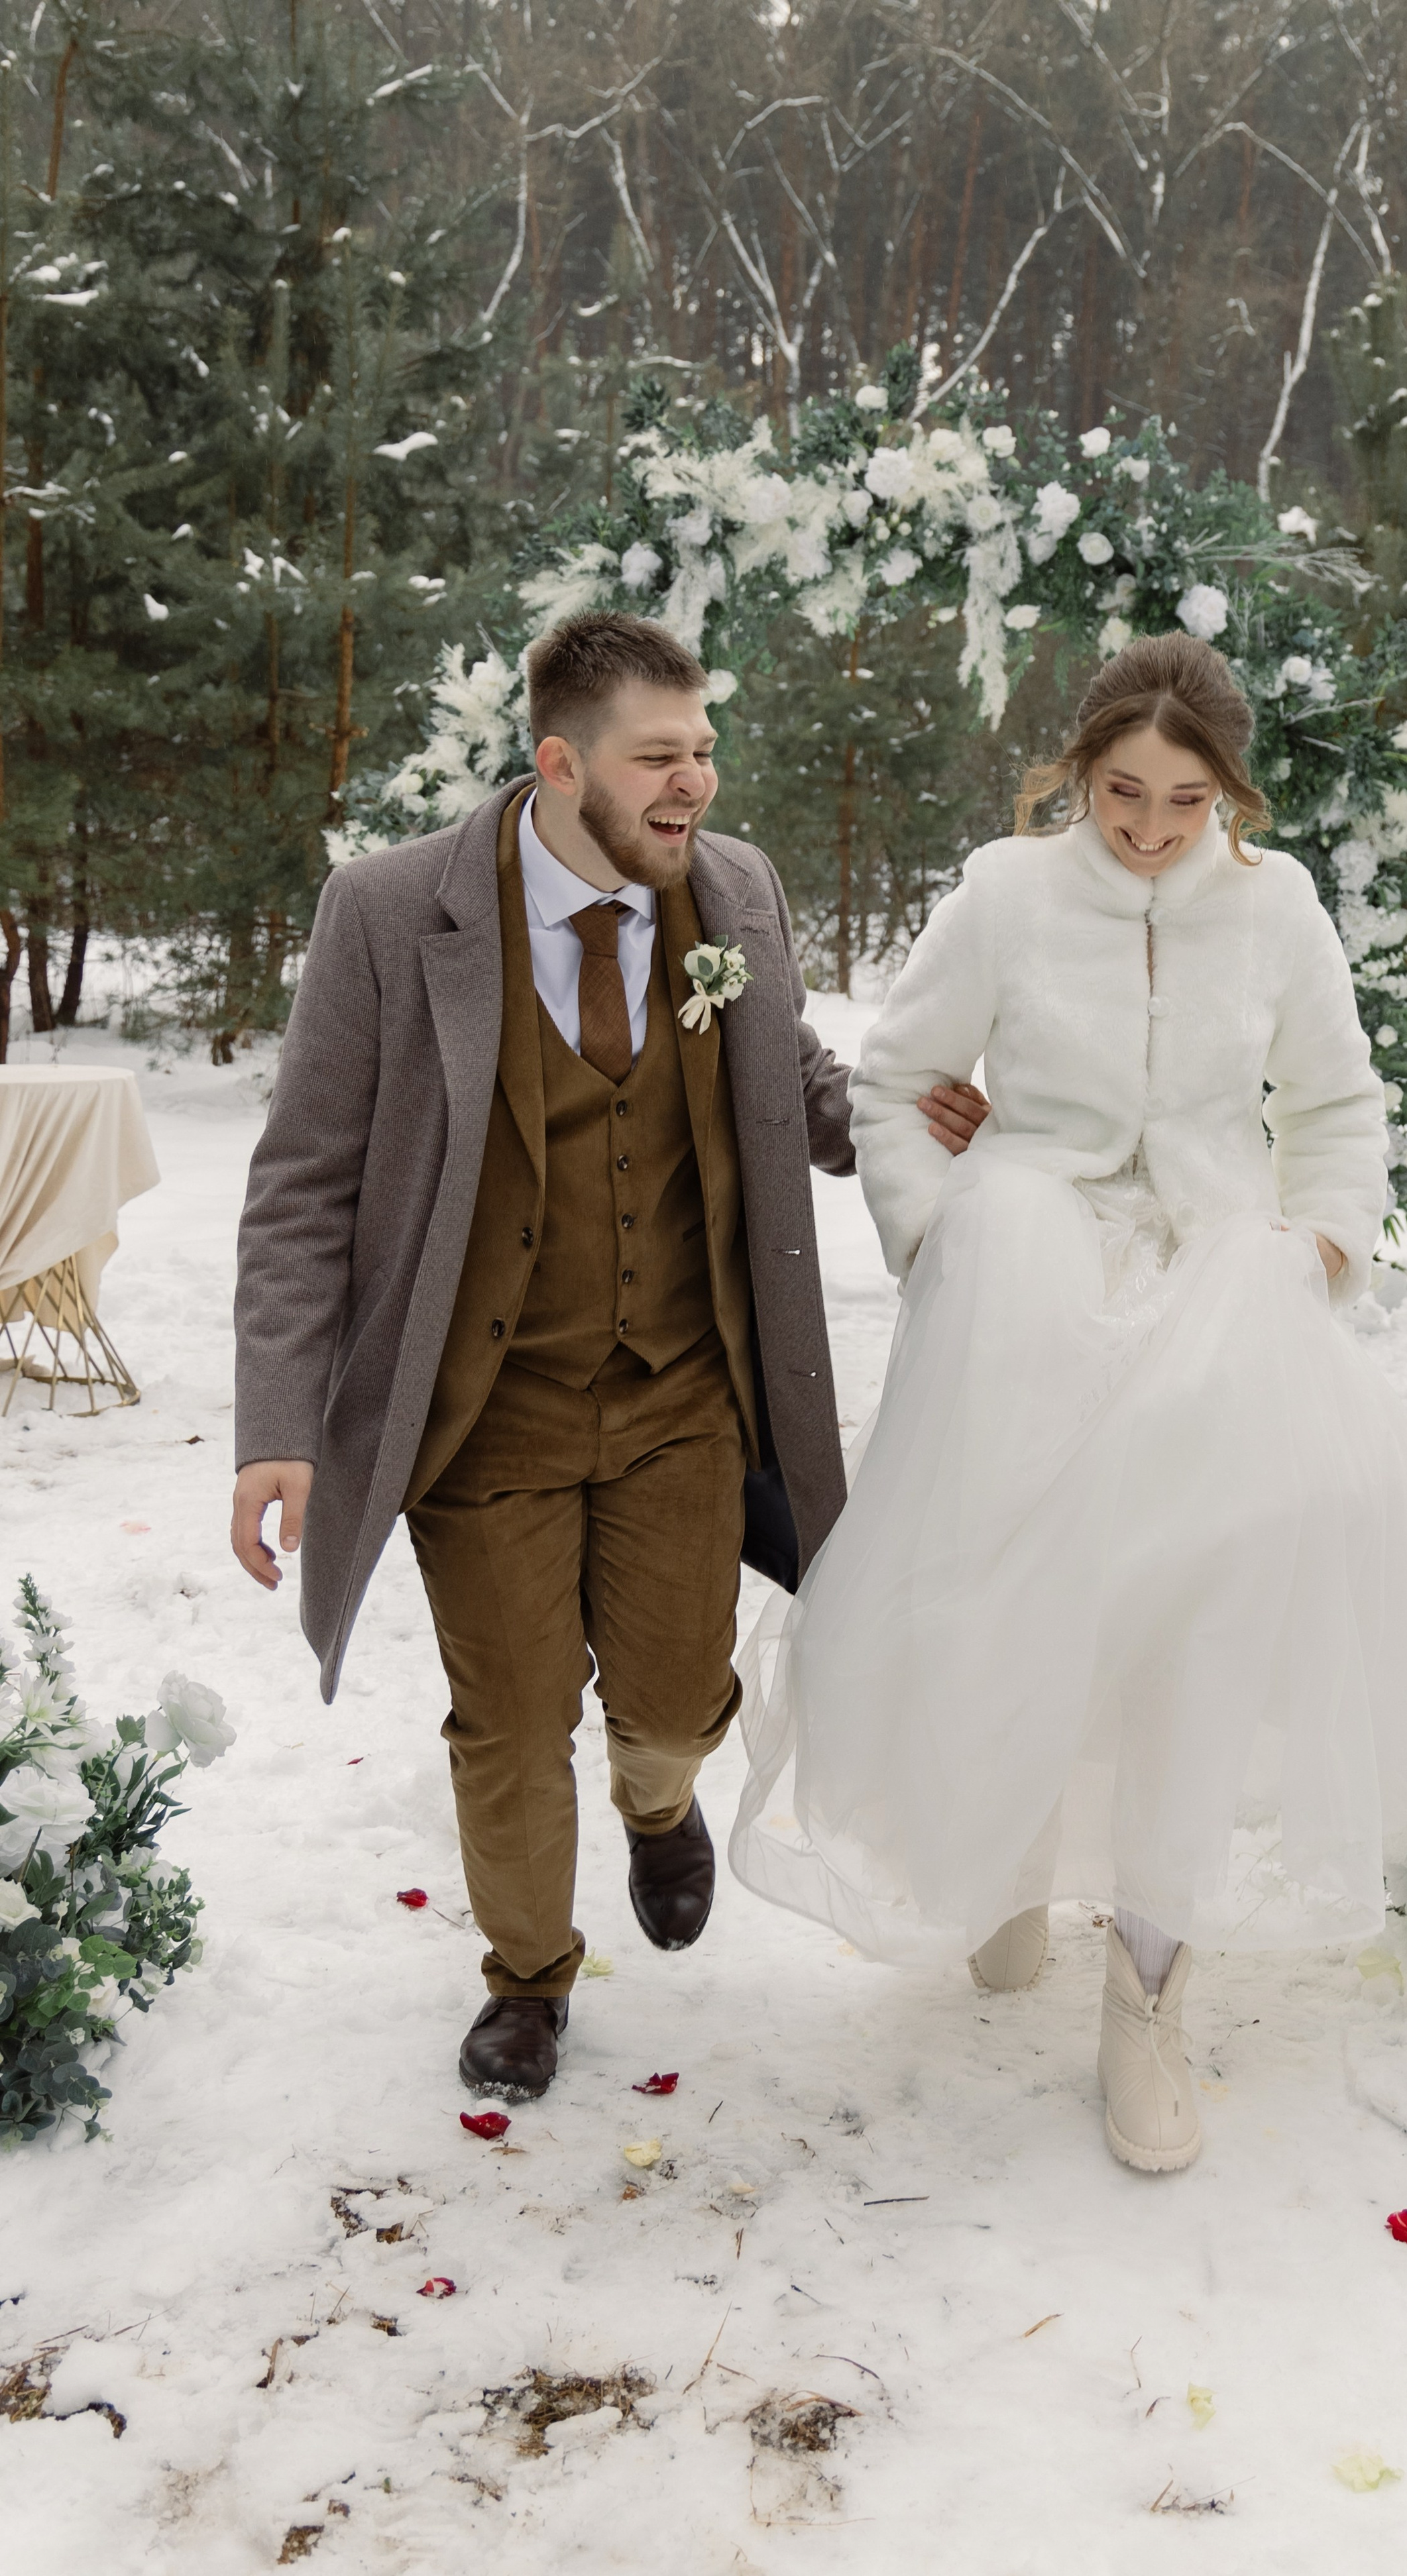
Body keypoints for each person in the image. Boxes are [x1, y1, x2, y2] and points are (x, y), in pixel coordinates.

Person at [730, 631, 1407, 2174]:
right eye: (1120, 792)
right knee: (1011, 1593)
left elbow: (1340, 1103)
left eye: (1183, 800)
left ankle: (1145, 2000)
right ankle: (1005, 1851)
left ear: (1228, 793)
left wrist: (1318, 1244)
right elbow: (896, 1079)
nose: (1150, 829)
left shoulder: (1273, 905)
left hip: (1221, 1299)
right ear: (1076, 772)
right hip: (1026, 1286)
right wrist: (941, 1233)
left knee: (1199, 1622)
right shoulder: (1004, 892)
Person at [229, 610, 987, 2101]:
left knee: (666, 1698)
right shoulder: (387, 914)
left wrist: (901, 1117)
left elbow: (788, 1076)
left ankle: (657, 1805)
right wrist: (277, 1423)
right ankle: (526, 1978)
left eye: (703, 750)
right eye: (660, 757)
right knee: (507, 1721)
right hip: (480, 1414)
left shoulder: (736, 892)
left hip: (685, 1397)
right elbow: (302, 1181)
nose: (693, 783)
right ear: (561, 763)